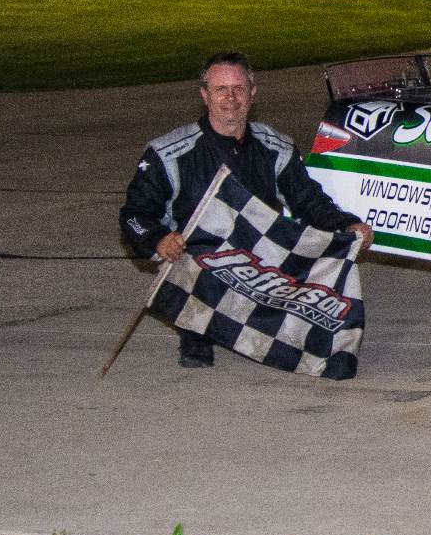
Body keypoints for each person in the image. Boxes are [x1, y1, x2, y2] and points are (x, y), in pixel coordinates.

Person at [120, 52, 372, 366]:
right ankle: (196, 334)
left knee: (319, 278)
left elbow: (308, 201)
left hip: (261, 260)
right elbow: (133, 215)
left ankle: (270, 327)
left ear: (253, 93)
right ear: (205, 95)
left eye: (239, 89)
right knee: (193, 248)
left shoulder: (276, 146)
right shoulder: (168, 151)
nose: (230, 98)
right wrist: (159, 239)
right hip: (201, 260)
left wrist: (347, 225)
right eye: (220, 89)